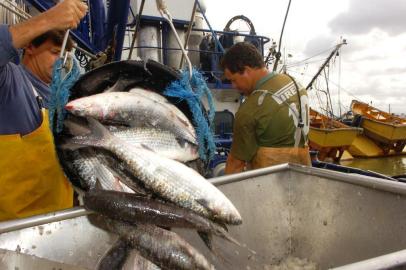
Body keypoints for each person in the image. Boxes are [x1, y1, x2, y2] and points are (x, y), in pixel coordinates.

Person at [0, 0, 88, 221]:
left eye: (64, 56)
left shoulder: (60, 97)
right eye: (54, 52)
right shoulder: (9, 81)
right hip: (11, 235)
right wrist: (48, 20)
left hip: (58, 226)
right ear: (30, 46)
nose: (61, 62)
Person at [220, 42, 311, 174]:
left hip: (269, 186)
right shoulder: (296, 84)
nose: (233, 86)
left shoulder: (250, 109)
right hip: (303, 175)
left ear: (246, 70)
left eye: (233, 80)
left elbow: (235, 164)